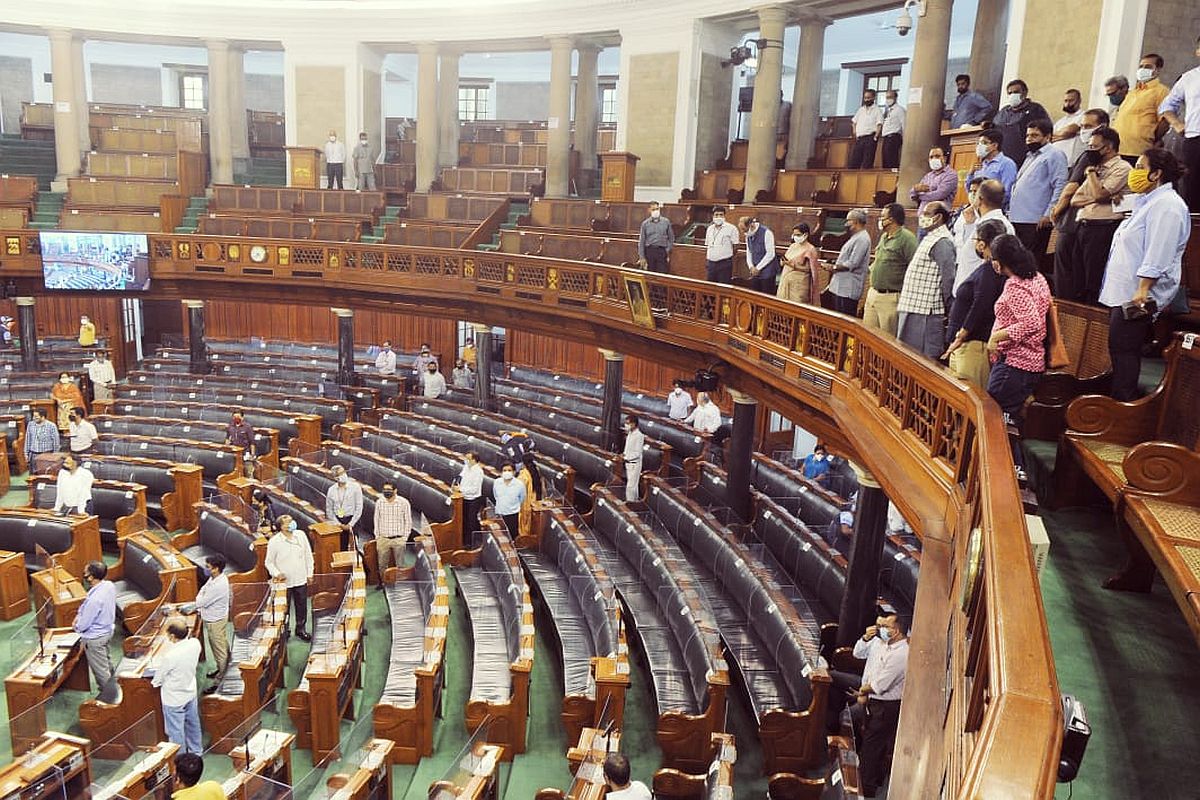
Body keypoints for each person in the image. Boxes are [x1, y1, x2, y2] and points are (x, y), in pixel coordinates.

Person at [1098, 148, 1190, 402]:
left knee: (1124, 350)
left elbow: (1158, 252)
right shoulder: (1145, 201)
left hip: (1137, 294)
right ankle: (1116, 402)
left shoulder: (1168, 206)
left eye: (1140, 167)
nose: (1134, 173)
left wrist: (1142, 290)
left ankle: (1123, 406)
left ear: (1156, 173)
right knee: (1118, 348)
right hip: (1123, 291)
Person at [986, 235, 1050, 478]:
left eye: (994, 259)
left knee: (996, 418)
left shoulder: (1016, 286)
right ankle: (1013, 471)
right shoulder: (1037, 277)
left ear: (1001, 261)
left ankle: (1012, 472)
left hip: (1016, 364)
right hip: (1026, 364)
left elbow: (1032, 322)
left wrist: (998, 336)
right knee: (1007, 419)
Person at [1050, 107, 1111, 298]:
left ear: (1103, 127)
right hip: (1083, 223)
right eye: (1082, 126)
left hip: (1071, 222)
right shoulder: (1096, 155)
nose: (1083, 130)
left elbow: (1070, 188)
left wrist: (1057, 210)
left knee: (1065, 275)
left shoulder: (1088, 155)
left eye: (1088, 126)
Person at [942, 218, 1008, 390]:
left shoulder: (991, 271)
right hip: (967, 346)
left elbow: (981, 305)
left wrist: (961, 335)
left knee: (970, 401)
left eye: (976, 239)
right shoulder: (990, 269)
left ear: (982, 244)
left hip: (973, 347)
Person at [1068, 126, 1131, 304]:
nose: (1090, 151)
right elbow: (1075, 200)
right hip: (1084, 226)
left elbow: (1099, 194)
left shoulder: (1121, 167)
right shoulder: (1096, 168)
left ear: (1108, 147)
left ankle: (1094, 319)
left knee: (1093, 279)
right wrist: (1098, 198)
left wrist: (1091, 175)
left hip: (1103, 227)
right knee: (1078, 278)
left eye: (1094, 147)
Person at [850, 615, 910, 798]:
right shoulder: (881, 642)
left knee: (872, 747)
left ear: (896, 630)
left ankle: (865, 789)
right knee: (869, 741)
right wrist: (866, 638)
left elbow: (879, 686)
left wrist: (862, 693)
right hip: (872, 699)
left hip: (886, 706)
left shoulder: (902, 653)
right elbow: (858, 653)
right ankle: (865, 778)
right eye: (879, 625)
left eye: (884, 626)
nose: (880, 629)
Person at [897, 202, 956, 359]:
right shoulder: (930, 237)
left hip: (926, 310)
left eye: (927, 213)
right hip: (914, 305)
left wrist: (947, 304)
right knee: (906, 356)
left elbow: (948, 277)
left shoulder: (943, 241)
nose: (922, 217)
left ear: (938, 217)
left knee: (922, 359)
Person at [1009, 119, 1068, 261]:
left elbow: (1060, 184)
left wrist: (1049, 213)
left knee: (1031, 262)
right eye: (1028, 135)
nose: (1029, 139)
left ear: (1047, 137)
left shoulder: (1055, 154)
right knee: (1018, 260)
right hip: (1018, 217)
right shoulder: (1030, 156)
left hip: (1035, 220)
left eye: (1035, 135)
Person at [862, 203, 917, 337]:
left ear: (891, 219)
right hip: (873, 293)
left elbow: (913, 267)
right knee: (867, 337)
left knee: (886, 340)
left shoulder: (907, 238)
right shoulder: (883, 237)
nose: (880, 220)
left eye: (882, 217)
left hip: (890, 297)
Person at [952, 179, 1013, 297]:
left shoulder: (992, 225)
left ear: (980, 199)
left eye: (976, 193)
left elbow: (988, 261)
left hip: (975, 293)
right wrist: (970, 225)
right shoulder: (984, 221)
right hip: (969, 289)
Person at [1160, 34, 1200, 211]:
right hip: (1195, 139)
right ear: (1198, 52)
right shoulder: (1189, 78)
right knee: (1193, 189)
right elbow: (1167, 105)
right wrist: (1177, 124)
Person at [152, 621, 202, 754]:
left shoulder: (170, 656)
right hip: (190, 692)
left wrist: (156, 682)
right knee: (193, 724)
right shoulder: (195, 643)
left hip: (174, 699)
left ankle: (180, 758)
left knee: (176, 730)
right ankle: (196, 751)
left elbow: (157, 679)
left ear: (173, 636)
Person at [1112, 54, 1169, 163]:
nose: (1143, 69)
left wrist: (1152, 138)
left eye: (1148, 67)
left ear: (1158, 70)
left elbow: (1164, 121)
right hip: (1118, 149)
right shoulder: (1132, 93)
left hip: (1138, 151)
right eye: (1141, 66)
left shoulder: (1161, 91)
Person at [266, 515, 314, 641]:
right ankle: (285, 631)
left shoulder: (301, 535)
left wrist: (310, 573)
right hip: (284, 583)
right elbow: (269, 563)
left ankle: (301, 629)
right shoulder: (274, 541)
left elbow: (308, 555)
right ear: (281, 527)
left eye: (292, 521)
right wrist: (277, 573)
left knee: (302, 606)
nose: (292, 523)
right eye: (288, 522)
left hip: (300, 578)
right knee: (284, 608)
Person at [74, 561, 116, 692]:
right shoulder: (109, 585)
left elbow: (84, 624)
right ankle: (115, 686)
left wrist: (76, 625)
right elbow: (85, 605)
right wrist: (80, 613)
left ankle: (109, 698)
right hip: (107, 631)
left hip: (94, 639)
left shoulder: (95, 600)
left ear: (91, 577)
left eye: (85, 573)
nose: (84, 575)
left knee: (101, 671)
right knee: (106, 662)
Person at [990, 79, 1051, 167]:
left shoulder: (1035, 109)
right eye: (1010, 93)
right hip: (1003, 159)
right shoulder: (1003, 111)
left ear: (1025, 93)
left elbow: (1046, 129)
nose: (1012, 95)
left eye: (1016, 92)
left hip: (1026, 159)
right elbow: (995, 128)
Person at [824, 208, 871, 315]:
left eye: (848, 220)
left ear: (855, 222)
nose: (846, 223)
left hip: (848, 289)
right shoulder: (855, 237)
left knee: (845, 320)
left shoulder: (862, 239)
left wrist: (833, 268)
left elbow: (853, 263)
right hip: (840, 287)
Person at [196, 555, 230, 693]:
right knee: (221, 646)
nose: (206, 569)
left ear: (216, 569)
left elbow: (200, 602)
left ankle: (220, 681)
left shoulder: (219, 585)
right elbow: (203, 590)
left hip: (215, 621)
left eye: (208, 567)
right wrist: (201, 595)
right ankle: (222, 670)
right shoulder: (215, 577)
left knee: (219, 651)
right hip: (215, 618)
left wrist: (200, 597)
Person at [374, 482, 412, 589]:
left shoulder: (404, 502)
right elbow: (376, 519)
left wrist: (404, 538)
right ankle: (383, 582)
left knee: (400, 564)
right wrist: (377, 536)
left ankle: (401, 584)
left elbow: (408, 521)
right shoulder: (379, 502)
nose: (386, 491)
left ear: (395, 490)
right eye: (384, 489)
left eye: (389, 489)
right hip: (383, 539)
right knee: (382, 565)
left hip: (398, 539)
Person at [966, 129, 1018, 202]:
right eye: (978, 143)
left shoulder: (1007, 164)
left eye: (984, 143)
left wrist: (989, 206)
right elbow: (970, 190)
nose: (979, 146)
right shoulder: (980, 165)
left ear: (995, 145)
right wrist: (971, 173)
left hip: (994, 209)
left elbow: (1007, 193)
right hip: (978, 209)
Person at [909, 146, 959, 219]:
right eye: (931, 157)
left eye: (937, 156)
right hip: (922, 217)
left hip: (938, 218)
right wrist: (915, 189)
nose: (934, 159)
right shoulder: (928, 176)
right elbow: (912, 195)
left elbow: (939, 195)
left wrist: (919, 196)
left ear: (944, 158)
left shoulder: (951, 175)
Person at [778, 223, 820, 304]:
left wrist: (792, 265)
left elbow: (809, 270)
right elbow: (786, 258)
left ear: (806, 234)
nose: (795, 237)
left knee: (797, 308)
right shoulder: (793, 246)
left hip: (799, 285)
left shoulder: (811, 249)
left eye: (798, 235)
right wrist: (783, 262)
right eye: (794, 234)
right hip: (786, 279)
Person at [325, 465, 364, 550]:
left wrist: (350, 524)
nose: (344, 474)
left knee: (354, 548)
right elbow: (329, 510)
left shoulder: (355, 487)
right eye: (340, 473)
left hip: (352, 520)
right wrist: (339, 524)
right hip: (338, 522)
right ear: (336, 478)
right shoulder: (331, 490)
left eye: (344, 472)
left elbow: (359, 507)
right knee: (341, 548)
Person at [743, 217, 780, 293]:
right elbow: (749, 252)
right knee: (754, 294)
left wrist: (758, 268)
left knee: (766, 295)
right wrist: (751, 266)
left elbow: (770, 254)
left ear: (751, 225)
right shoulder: (748, 235)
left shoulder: (766, 232)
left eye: (745, 230)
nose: (745, 233)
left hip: (767, 270)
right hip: (754, 270)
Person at [849, 89, 884, 169]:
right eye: (865, 98)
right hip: (860, 138)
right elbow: (854, 122)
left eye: (868, 98)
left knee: (867, 163)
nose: (866, 100)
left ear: (873, 98)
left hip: (870, 138)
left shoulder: (877, 110)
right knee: (854, 162)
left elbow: (879, 124)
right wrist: (855, 133)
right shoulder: (861, 110)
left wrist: (875, 137)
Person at [1051, 89, 1086, 167]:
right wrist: (1064, 135)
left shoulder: (1084, 116)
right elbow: (1049, 137)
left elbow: (1071, 130)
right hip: (1057, 162)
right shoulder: (1060, 122)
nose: (1068, 103)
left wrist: (1057, 135)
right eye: (1066, 101)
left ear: (1079, 101)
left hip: (1072, 163)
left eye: (1071, 100)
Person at [703, 207, 738, 284]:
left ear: (724, 216)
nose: (718, 217)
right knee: (710, 287)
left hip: (724, 264)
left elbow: (735, 247)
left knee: (723, 288)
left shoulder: (732, 228)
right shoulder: (709, 229)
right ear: (713, 216)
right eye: (716, 215)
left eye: (721, 215)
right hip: (711, 264)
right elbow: (708, 245)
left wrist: (726, 255)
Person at [637, 201, 673, 273]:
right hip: (649, 251)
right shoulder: (645, 224)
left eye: (657, 209)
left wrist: (667, 250)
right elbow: (642, 241)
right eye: (653, 209)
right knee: (649, 275)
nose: (656, 211)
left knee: (662, 274)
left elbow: (671, 238)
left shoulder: (666, 222)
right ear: (649, 210)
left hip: (661, 251)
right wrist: (642, 257)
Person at [492, 463, 526, 539]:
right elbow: (495, 496)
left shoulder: (519, 484)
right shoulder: (496, 482)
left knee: (513, 536)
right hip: (500, 513)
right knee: (501, 537)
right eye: (504, 470)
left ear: (514, 472)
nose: (507, 472)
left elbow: (522, 498)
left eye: (509, 470)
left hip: (512, 514)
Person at [459, 451, 485, 538]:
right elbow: (461, 477)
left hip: (474, 499)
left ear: (474, 460)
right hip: (464, 497)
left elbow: (474, 490)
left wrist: (460, 489)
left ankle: (475, 539)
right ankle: (466, 539)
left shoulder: (478, 472)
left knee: (471, 520)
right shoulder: (466, 467)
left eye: (468, 459)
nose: (466, 460)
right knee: (464, 519)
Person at [518, 453, 543, 535]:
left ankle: (524, 535)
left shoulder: (524, 474)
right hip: (534, 497)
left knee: (524, 518)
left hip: (525, 500)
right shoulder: (536, 469)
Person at [879, 89, 905, 168]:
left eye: (890, 97)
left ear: (895, 98)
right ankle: (887, 178)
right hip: (886, 138)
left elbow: (904, 124)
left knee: (892, 160)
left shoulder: (899, 110)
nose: (888, 99)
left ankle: (893, 177)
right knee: (885, 160)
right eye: (887, 97)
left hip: (893, 137)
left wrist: (905, 139)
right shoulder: (888, 111)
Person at [622, 415, 645, 503]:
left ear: (634, 424)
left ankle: (630, 503)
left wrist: (625, 457)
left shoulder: (639, 436)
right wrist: (623, 454)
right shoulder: (630, 434)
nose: (626, 425)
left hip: (635, 464)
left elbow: (637, 453)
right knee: (633, 486)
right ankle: (635, 502)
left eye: (628, 423)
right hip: (628, 463)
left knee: (631, 486)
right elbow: (627, 448)